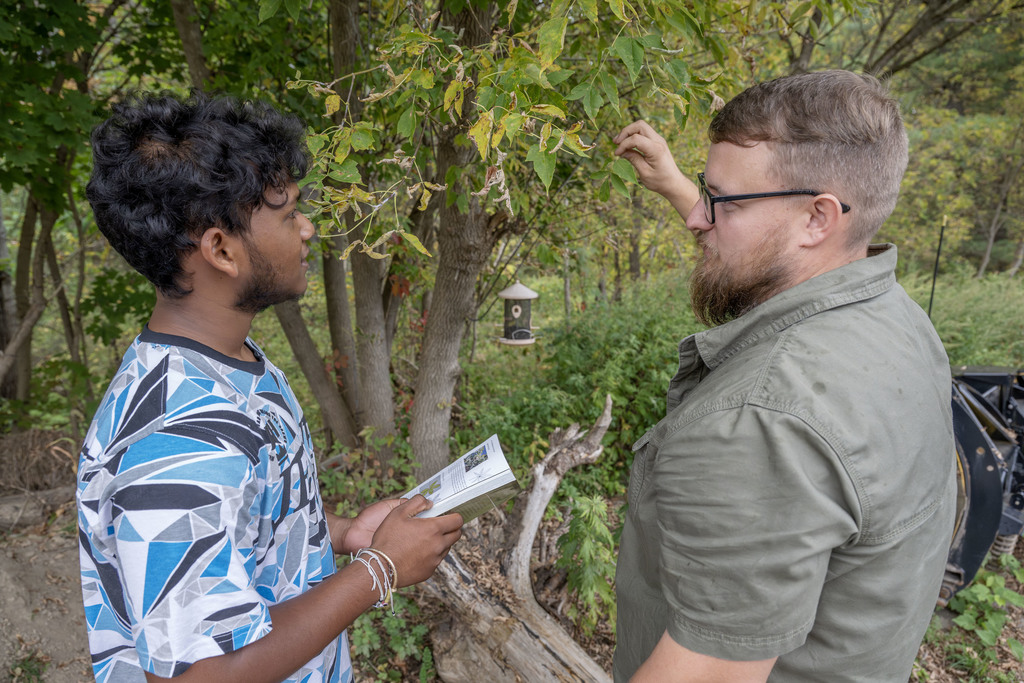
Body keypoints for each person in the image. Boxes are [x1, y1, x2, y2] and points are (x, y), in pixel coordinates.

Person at [76, 91, 463, 683]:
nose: (307, 229)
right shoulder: (174, 440)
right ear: (220, 249)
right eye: (286, 215)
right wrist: (378, 570)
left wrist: (343, 535)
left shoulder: (237, 365)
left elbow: (243, 528)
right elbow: (196, 675)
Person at [610, 70, 955, 682]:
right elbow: (765, 247)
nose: (699, 220)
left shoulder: (757, 425)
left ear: (818, 219)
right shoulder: (894, 320)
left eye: (722, 201)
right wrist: (679, 187)